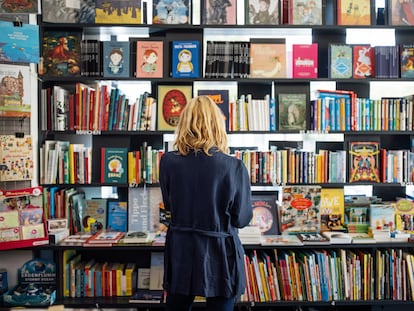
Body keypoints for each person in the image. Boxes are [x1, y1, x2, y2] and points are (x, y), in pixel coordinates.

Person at [159, 95, 253, 311]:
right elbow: (241, 219)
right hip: (220, 252)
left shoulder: (168, 162)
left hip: (181, 249)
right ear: (217, 125)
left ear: (184, 123)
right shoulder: (233, 166)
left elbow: (170, 206)